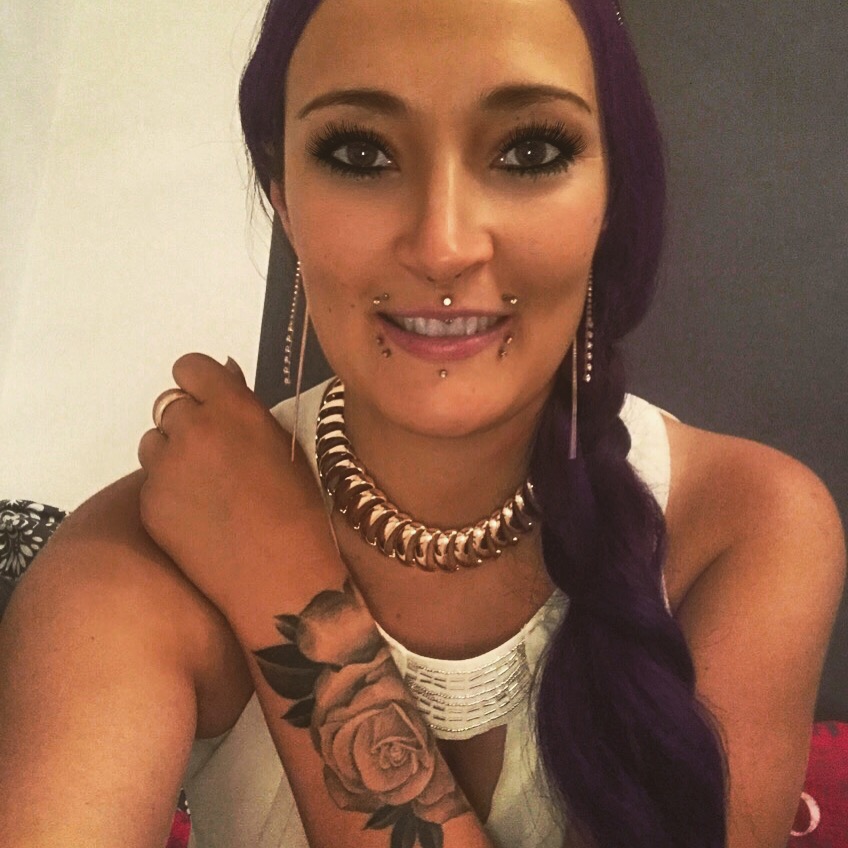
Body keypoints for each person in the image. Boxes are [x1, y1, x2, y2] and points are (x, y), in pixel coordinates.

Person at [0, 0, 844, 846]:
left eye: (530, 151)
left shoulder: (747, 524)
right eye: (360, 153)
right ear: (283, 200)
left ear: (609, 197)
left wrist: (283, 582)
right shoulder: (142, 556)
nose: (444, 246)